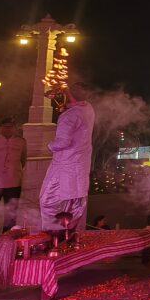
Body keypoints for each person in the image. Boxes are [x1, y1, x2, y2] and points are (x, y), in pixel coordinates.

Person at [40, 83, 95, 232]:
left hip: (64, 168)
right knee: (75, 205)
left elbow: (63, 142)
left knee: (47, 202)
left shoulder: (69, 116)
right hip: (81, 167)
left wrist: (49, 146)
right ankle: (69, 237)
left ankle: (54, 236)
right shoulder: (88, 109)